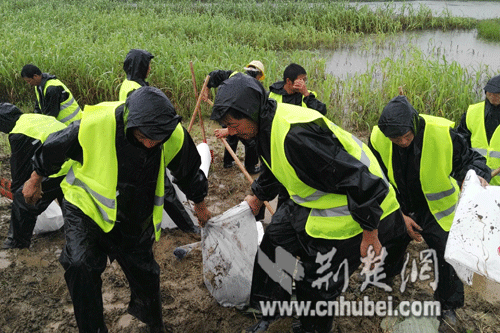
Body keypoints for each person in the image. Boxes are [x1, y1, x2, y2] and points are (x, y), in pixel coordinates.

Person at [210, 74, 408, 333]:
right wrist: (258, 196)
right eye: (227, 125)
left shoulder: (297, 136)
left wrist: (370, 234)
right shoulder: (263, 127)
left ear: (251, 111)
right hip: (314, 200)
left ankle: (311, 326)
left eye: (233, 124)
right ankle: (273, 310)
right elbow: (279, 167)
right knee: (274, 243)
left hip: (357, 209)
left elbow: (362, 181)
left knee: (318, 283)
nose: (231, 131)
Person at [23, 86, 211, 333]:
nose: (151, 142)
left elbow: (188, 171)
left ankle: (155, 325)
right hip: (86, 207)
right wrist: (35, 177)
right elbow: (56, 147)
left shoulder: (171, 134)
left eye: (157, 139)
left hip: (134, 215)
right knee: (80, 265)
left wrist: (200, 204)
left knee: (146, 275)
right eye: (145, 136)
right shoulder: (97, 124)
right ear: (130, 122)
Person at [368, 95, 491, 327]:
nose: (403, 142)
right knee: (387, 240)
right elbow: (375, 178)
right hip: (399, 205)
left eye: (407, 136)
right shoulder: (377, 138)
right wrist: (400, 216)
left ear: (414, 124)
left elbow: (472, 160)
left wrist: (475, 176)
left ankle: (448, 306)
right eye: (396, 139)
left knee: (448, 252)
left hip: (435, 209)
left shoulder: (443, 134)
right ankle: (382, 279)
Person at [119, 48, 198, 233]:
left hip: (143, 145)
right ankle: (188, 227)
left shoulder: (130, 84)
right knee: (164, 188)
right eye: (147, 64)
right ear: (140, 66)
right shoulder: (133, 90)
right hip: (147, 148)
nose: (150, 68)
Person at [0, 103, 73, 249]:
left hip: (60, 167)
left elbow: (19, 169)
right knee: (67, 198)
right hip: (75, 164)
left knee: (23, 199)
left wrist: (17, 191)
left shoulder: (18, 133)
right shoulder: (33, 118)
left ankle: (17, 244)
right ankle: (70, 232)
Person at [203, 60, 266, 174]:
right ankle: (250, 168)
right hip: (234, 117)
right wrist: (229, 129)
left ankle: (228, 162)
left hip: (222, 112)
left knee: (232, 138)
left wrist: (206, 88)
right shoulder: (254, 88)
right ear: (259, 75)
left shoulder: (233, 75)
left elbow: (213, 75)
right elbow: (247, 119)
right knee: (251, 142)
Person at [456, 74, 500, 185]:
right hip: (477, 180)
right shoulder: (472, 112)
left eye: (498, 93)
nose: (494, 96)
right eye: (491, 92)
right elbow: (461, 143)